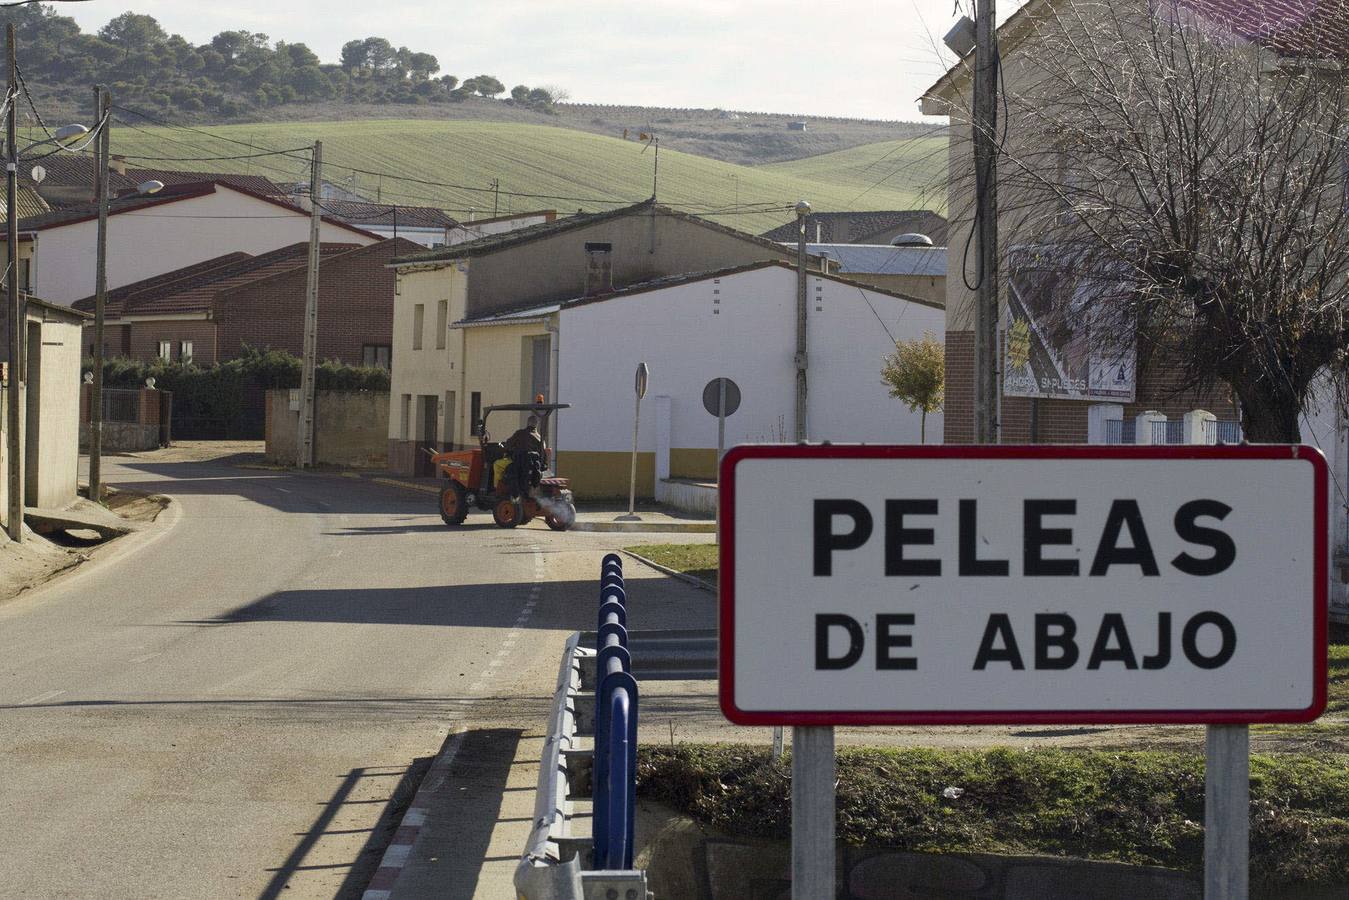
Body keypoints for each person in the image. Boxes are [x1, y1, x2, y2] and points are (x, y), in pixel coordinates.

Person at [494, 415, 546, 489]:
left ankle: (497, 488)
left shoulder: (520, 433)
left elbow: (508, 444)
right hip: (534, 464)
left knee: (497, 464)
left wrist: (506, 448)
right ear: (537, 424)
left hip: (518, 462)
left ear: (527, 423)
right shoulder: (540, 438)